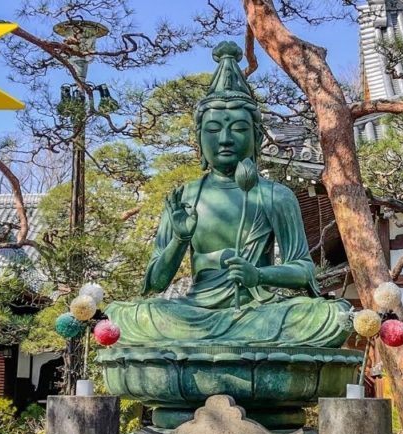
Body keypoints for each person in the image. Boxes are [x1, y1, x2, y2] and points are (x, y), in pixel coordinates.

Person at [105, 41, 351, 348]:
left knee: (331, 316)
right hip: (193, 312)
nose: (224, 139)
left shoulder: (275, 195)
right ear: (198, 138)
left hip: (258, 312)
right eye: (212, 129)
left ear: (256, 136)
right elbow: (155, 282)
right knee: (126, 316)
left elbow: (303, 269)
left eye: (237, 128)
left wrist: (258, 275)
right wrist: (180, 239)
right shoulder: (185, 198)